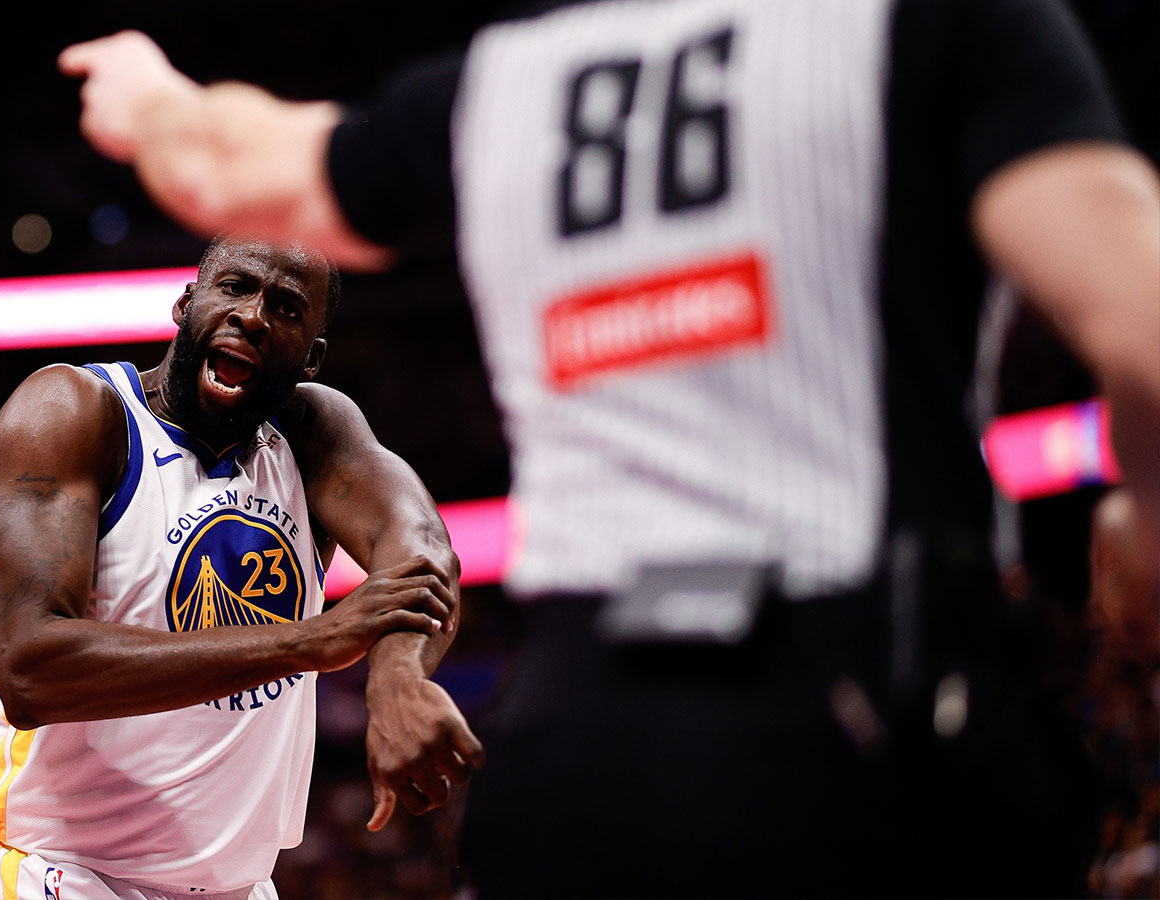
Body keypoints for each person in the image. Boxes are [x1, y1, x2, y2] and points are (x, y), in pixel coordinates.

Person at [57, 1, 1160, 895]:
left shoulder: (508, 84)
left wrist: (150, 93)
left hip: (577, 751)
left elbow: (219, 166)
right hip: (867, 724)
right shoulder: (934, 29)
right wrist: (1140, 519)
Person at [0, 236, 484, 900]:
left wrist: (399, 679)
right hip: (61, 870)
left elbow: (425, 558)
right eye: (235, 288)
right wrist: (313, 640)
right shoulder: (75, 413)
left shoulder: (314, 433)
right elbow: (31, 666)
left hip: (238, 886)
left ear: (312, 357)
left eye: (287, 309)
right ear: (187, 303)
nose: (254, 316)